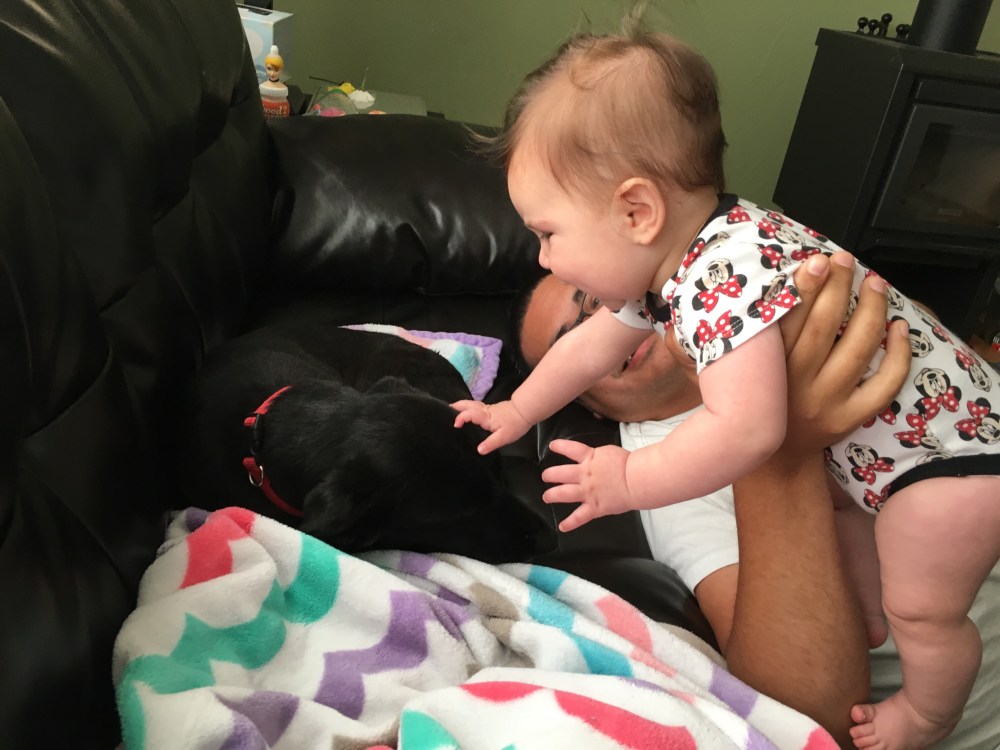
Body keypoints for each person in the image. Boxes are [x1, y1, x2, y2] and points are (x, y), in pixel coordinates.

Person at [452, 15, 1000, 750]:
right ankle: (873, 612)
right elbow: (588, 350)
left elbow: (749, 428)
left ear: (637, 212)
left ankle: (929, 713)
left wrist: (629, 479)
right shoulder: (700, 257)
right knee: (866, 543)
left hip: (952, 465)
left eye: (548, 233)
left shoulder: (719, 276)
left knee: (926, 613)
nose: (546, 258)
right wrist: (517, 410)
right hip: (931, 452)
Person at [519, 268, 1000, 750]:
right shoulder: (656, 478)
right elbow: (811, 717)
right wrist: (781, 445)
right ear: (588, 404)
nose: (602, 323)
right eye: (571, 343)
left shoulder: (737, 300)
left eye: (598, 298)